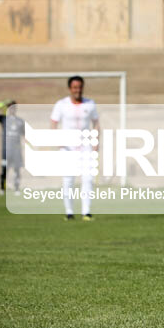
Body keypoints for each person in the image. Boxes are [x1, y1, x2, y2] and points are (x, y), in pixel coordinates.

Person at [50, 76, 99, 220]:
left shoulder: (90, 104)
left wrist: (96, 142)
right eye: (75, 87)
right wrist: (57, 140)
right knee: (68, 180)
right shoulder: (61, 104)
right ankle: (69, 212)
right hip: (67, 148)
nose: (77, 90)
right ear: (70, 89)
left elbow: (96, 123)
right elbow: (53, 122)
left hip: (85, 147)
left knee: (88, 179)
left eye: (80, 87)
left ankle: (86, 212)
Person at [0, 99, 25, 195]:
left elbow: (24, 134)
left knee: (17, 170)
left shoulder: (20, 121)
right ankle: (2, 188)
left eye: (14, 107)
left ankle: (16, 188)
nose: (12, 109)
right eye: (10, 107)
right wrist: (2, 104)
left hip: (16, 151)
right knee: (4, 169)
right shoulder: (4, 119)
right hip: (6, 150)